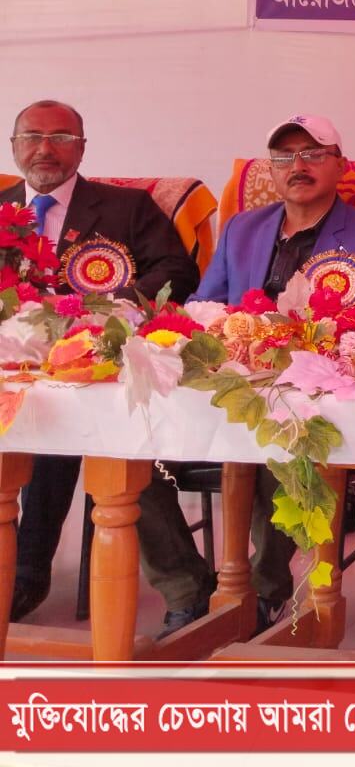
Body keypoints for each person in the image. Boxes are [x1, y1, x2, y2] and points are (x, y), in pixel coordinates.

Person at [136, 115, 355, 635]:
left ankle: (263, 590)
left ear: (340, 165)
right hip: (226, 379)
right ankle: (186, 588)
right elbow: (204, 304)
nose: (298, 166)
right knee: (130, 449)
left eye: (313, 154)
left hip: (307, 388)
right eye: (284, 157)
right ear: (271, 170)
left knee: (286, 444)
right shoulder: (242, 228)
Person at [4, 100, 200, 622]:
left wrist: (105, 310)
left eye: (61, 138)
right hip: (10, 363)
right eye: (32, 137)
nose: (45, 149)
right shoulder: (1, 207)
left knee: (71, 425)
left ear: (82, 148)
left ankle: (25, 576)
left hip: (97, 363)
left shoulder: (125, 208)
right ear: (15, 146)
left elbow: (177, 272)